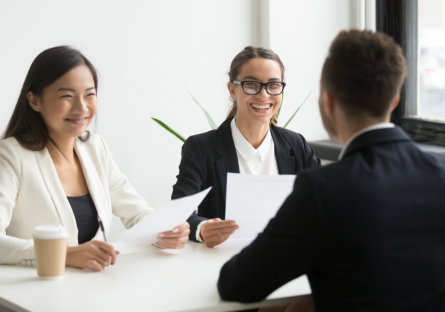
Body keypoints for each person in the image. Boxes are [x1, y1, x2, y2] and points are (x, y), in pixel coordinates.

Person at [217, 30, 445, 312]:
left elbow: (236, 284)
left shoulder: (322, 189)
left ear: (328, 103)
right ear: (395, 99)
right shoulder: (441, 171)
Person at [0, 46, 190, 270]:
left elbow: (137, 213)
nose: (81, 108)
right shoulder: (10, 155)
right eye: (67, 96)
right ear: (34, 101)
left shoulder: (95, 148)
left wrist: (165, 231)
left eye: (90, 94)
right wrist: (62, 255)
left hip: (95, 289)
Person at [172, 46, 320, 248]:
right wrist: (202, 228)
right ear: (232, 90)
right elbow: (178, 214)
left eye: (273, 85)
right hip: (223, 265)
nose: (263, 95)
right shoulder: (200, 148)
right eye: (251, 85)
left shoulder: (297, 146)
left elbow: (324, 200)